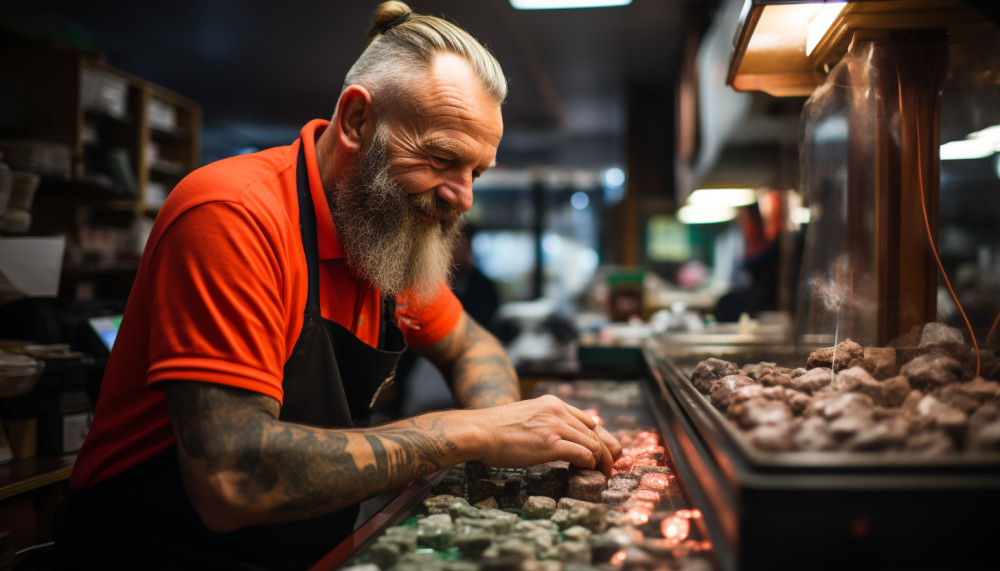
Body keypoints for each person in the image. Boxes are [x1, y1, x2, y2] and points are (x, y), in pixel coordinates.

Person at [55, 2, 622, 569]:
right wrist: (469, 432)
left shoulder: (384, 232)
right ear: (356, 122)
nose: (462, 196)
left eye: (476, 172)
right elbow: (232, 478)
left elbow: (471, 345)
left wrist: (503, 427)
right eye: (443, 158)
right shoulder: (234, 214)